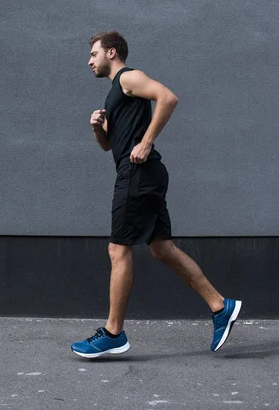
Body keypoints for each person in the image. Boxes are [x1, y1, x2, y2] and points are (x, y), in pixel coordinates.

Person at [71, 31, 242, 359]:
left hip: (139, 173)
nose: (89, 61)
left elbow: (168, 97)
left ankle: (112, 333)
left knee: (118, 250)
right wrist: (97, 128)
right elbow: (109, 146)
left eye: (93, 54)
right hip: (142, 174)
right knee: (162, 248)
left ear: (111, 52)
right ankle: (221, 307)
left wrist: (147, 141)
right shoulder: (115, 93)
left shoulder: (129, 77)